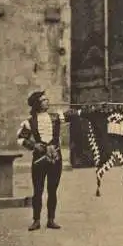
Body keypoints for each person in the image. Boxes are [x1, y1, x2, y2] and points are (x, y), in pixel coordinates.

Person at [17, 90, 81, 231]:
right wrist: (34, 145)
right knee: (38, 190)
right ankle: (36, 220)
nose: (47, 101)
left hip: (55, 159)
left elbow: (73, 115)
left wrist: (85, 110)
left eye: (47, 99)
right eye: (44, 100)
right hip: (39, 159)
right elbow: (21, 139)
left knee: (52, 190)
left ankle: (51, 220)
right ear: (37, 104)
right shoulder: (30, 122)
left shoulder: (56, 117)